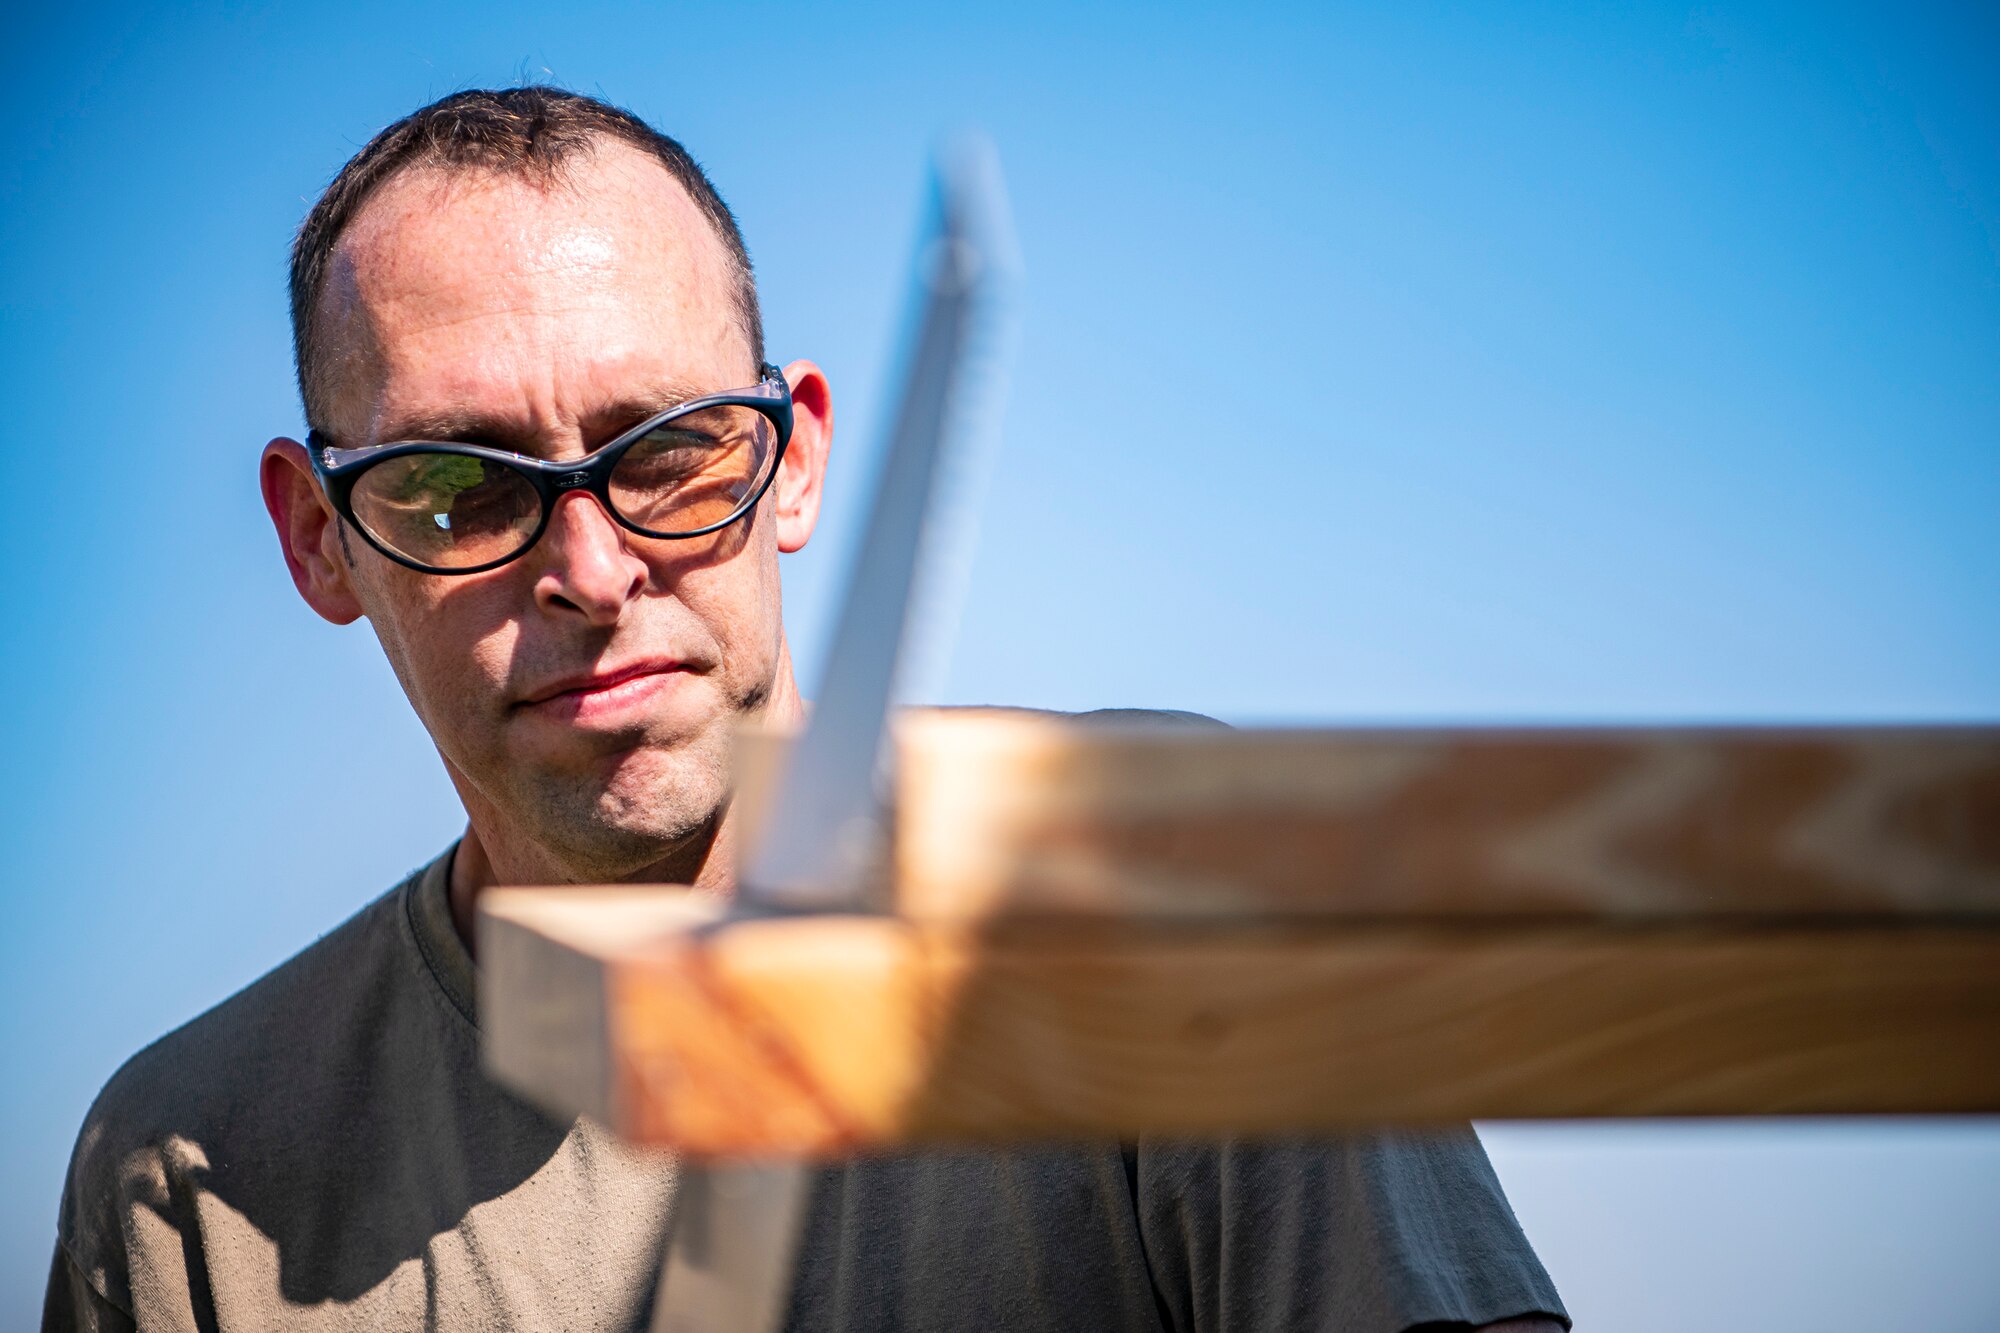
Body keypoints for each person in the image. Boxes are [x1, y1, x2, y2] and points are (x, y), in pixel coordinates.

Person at [44, 87, 1568, 1333]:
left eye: (669, 451)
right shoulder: (193, 1177)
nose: (591, 565)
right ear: (321, 538)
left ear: (793, 461)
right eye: (458, 487)